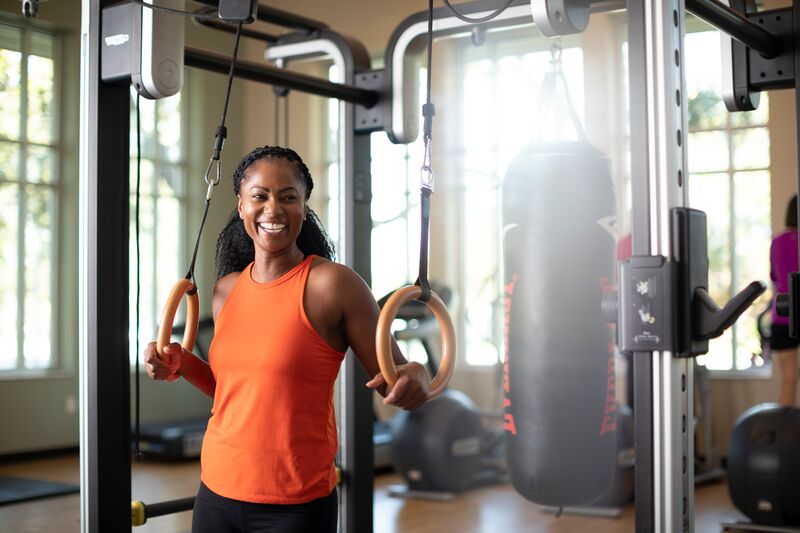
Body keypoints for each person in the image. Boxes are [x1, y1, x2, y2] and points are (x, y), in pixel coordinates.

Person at [143, 146, 430, 533]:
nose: (273, 209)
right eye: (259, 196)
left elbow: (397, 377)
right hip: (216, 491)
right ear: (241, 206)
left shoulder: (333, 285)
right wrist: (183, 363)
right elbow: (237, 391)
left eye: (288, 197)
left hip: (295, 504)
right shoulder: (226, 289)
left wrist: (418, 375)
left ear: (304, 207)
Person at [770, 194, 799, 406]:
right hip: (788, 312)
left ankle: (786, 427)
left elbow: (774, 276)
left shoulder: (777, 241)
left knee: (789, 380)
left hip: (783, 315)